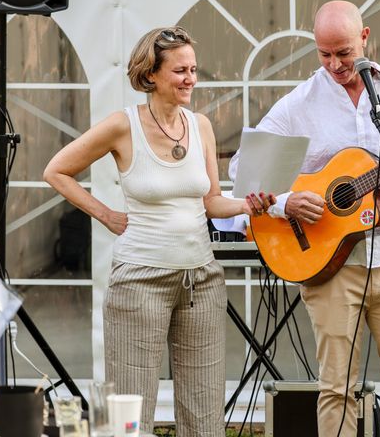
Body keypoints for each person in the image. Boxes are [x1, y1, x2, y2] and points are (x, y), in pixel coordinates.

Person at [229, 1, 380, 437]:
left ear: (365, 37)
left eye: (342, 51)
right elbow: (243, 170)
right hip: (329, 268)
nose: (335, 64)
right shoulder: (300, 102)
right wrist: (287, 202)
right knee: (336, 388)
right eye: (324, 54)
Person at [44, 26, 273, 436]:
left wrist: (247, 204)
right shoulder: (122, 125)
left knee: (204, 418)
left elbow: (211, 202)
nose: (191, 79)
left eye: (194, 69)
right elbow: (56, 170)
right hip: (139, 282)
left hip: (201, 280)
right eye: (180, 70)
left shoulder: (200, 125)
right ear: (150, 74)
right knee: (129, 417)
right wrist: (106, 215)